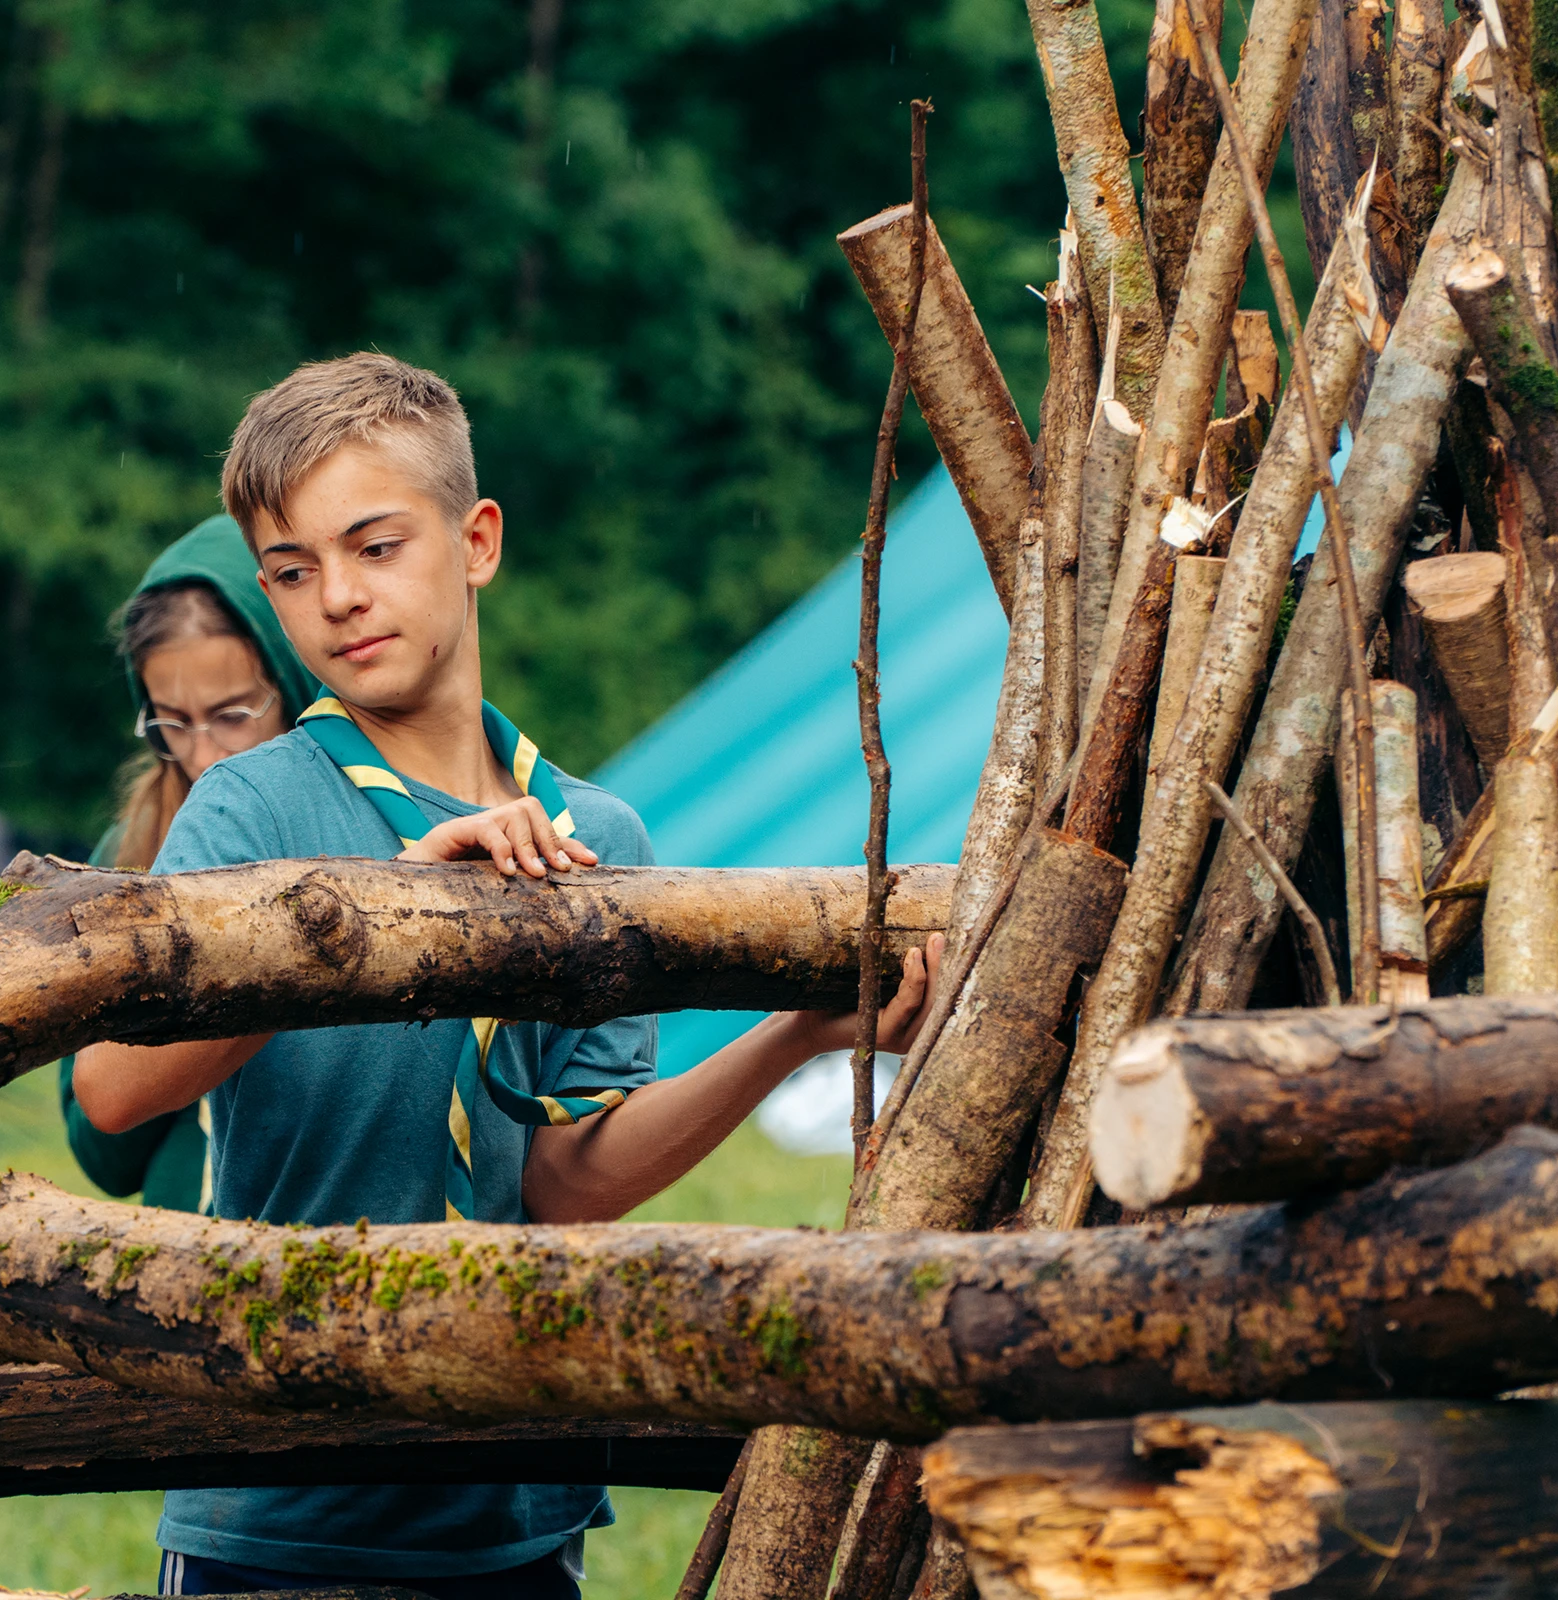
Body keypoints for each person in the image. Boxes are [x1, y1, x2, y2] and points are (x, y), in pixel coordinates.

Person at [74, 353, 942, 1597]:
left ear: (475, 541)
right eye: (293, 571)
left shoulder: (601, 839)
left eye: (376, 546)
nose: (338, 599)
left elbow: (566, 1183)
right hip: (283, 1500)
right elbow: (110, 1089)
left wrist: (795, 1037)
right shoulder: (250, 807)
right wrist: (377, 926)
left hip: (513, 1501)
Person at [57, 513, 315, 1211]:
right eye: (172, 721)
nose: (201, 758)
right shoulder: (130, 853)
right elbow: (100, 1152)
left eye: (233, 715)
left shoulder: (374, 832)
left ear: (293, 687)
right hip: (178, 1266)